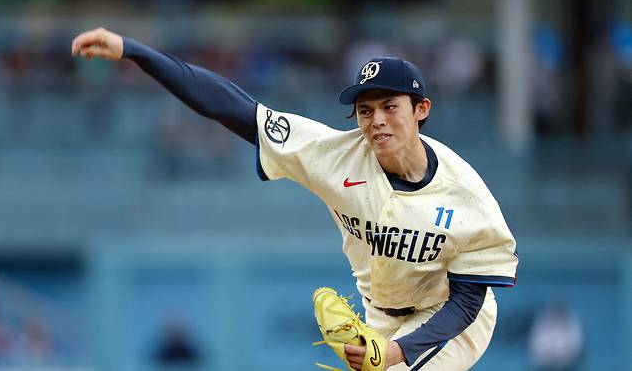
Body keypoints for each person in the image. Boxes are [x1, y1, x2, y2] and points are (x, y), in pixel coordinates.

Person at [71, 28, 518, 370]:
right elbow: (231, 107)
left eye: (390, 106)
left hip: (450, 318)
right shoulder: (335, 156)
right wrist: (134, 50)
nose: (376, 120)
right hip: (378, 317)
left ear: (421, 109)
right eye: (365, 110)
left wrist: (395, 351)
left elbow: (466, 303)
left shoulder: (466, 195)